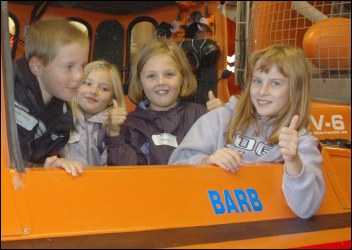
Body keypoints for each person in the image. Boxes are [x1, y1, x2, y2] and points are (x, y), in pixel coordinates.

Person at [169, 45, 325, 219]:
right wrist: (207, 160)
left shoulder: (301, 142)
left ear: (295, 90)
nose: (262, 91)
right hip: (210, 220)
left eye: (275, 83)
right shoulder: (221, 118)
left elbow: (306, 209)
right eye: (257, 81)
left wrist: (293, 162)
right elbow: (175, 165)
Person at [106, 40, 222, 165]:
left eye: (169, 74)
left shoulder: (200, 116)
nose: (161, 81)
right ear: (140, 82)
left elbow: (225, 154)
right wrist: (114, 134)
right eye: (151, 76)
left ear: (183, 77)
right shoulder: (131, 124)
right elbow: (126, 173)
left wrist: (222, 121)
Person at [14, 17, 89, 176]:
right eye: (69, 66)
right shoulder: (10, 99)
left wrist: (49, 166)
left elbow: (43, 159)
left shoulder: (62, 114)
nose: (80, 75)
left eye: (82, 66)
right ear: (37, 67)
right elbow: (9, 161)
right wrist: (38, 170)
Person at [61, 60, 127, 166]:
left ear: (112, 99)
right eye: (87, 83)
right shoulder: (60, 118)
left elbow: (122, 170)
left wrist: (114, 134)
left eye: (104, 88)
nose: (93, 91)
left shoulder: (117, 126)